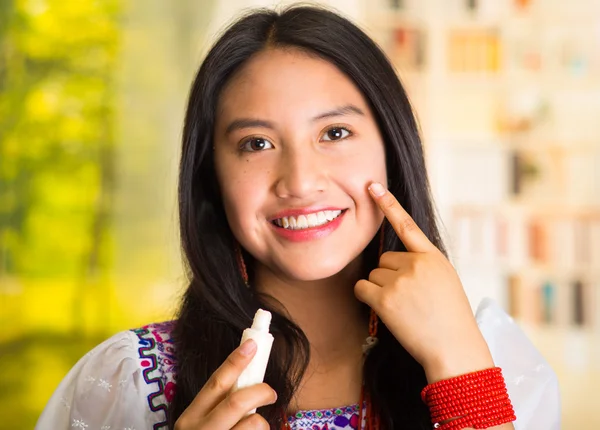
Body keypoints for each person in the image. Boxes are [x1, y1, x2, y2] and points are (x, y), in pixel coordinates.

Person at [36, 5, 560, 430]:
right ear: (210, 178)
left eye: (334, 133)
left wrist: (460, 370)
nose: (300, 181)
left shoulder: (492, 354)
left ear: (392, 152)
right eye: (256, 143)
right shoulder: (128, 383)